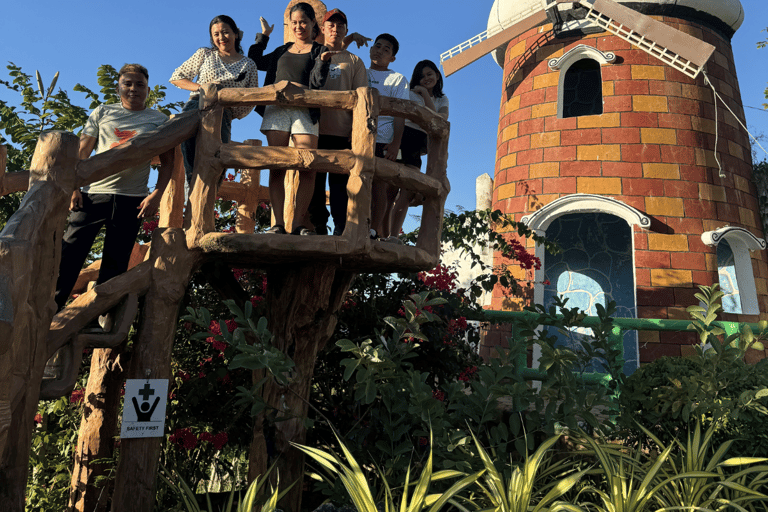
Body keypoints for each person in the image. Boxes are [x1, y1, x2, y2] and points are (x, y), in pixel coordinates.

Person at [54, 64, 174, 314]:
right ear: (119, 87)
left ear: (148, 89)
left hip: (132, 200)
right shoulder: (103, 112)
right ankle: (49, 310)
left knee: (116, 261)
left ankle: (101, 316)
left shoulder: (159, 120)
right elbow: (83, 152)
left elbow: (168, 163)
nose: (133, 89)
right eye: (128, 83)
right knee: (70, 254)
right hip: (93, 194)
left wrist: (157, 194)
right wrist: (74, 188)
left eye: (139, 84)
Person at [248, 3, 332, 235]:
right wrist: (263, 36)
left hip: (305, 110)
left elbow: (316, 83)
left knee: (308, 165)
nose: (298, 26)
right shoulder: (281, 50)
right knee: (277, 166)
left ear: (313, 23)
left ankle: (298, 223)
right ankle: (278, 224)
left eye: (303, 21)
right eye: (294, 22)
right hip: (277, 110)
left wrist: (323, 63)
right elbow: (255, 61)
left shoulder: (318, 50)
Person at [170, 15, 258, 184]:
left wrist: (232, 111)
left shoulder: (248, 64)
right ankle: (192, 191)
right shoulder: (205, 54)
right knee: (188, 147)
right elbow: (176, 77)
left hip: (224, 111)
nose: (221, 37)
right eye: (216, 34)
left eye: (225, 32)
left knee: (217, 159)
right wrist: (202, 87)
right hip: (197, 103)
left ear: (236, 34)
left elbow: (251, 98)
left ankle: (208, 200)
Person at [307, 8, 368, 236]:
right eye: (330, 26)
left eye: (340, 26)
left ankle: (341, 227)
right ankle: (318, 225)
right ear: (322, 29)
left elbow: (361, 96)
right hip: (313, 129)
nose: (335, 29)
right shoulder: (312, 53)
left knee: (340, 185)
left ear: (346, 30)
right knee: (314, 180)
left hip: (342, 131)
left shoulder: (354, 61)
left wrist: (356, 132)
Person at [390, 60, 449, 238]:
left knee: (408, 190)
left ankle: (393, 235)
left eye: (429, 74)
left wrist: (425, 95)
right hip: (404, 138)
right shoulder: (410, 93)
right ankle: (381, 233)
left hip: (419, 144)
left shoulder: (441, 98)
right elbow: (405, 117)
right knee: (390, 189)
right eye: (421, 76)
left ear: (437, 76)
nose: (426, 79)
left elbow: (440, 121)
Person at [367, 33, 409, 241]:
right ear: (370, 49)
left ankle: (374, 230)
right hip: (359, 135)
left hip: (384, 137)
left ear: (392, 58)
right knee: (357, 182)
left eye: (387, 50)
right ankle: (356, 225)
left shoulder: (397, 79)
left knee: (380, 186)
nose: (380, 51)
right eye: (378, 46)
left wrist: (396, 143)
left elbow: (400, 112)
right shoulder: (359, 72)